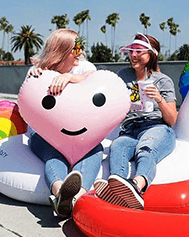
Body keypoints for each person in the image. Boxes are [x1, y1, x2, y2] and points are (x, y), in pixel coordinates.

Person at [94, 33, 177, 210]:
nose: (133, 55)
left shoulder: (163, 81)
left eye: (139, 51)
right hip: (129, 129)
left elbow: (172, 119)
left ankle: (136, 185)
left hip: (156, 127)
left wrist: (159, 99)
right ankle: (117, 190)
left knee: (145, 149)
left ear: (151, 55)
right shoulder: (123, 75)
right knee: (118, 146)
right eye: (131, 51)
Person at [27, 28, 103, 218]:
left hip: (76, 134)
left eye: (80, 47)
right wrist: (36, 81)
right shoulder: (38, 72)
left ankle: (75, 197)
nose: (80, 52)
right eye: (75, 48)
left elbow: (95, 81)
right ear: (61, 50)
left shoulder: (85, 68)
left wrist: (69, 78)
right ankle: (60, 192)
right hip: (44, 134)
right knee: (54, 154)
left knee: (95, 148)